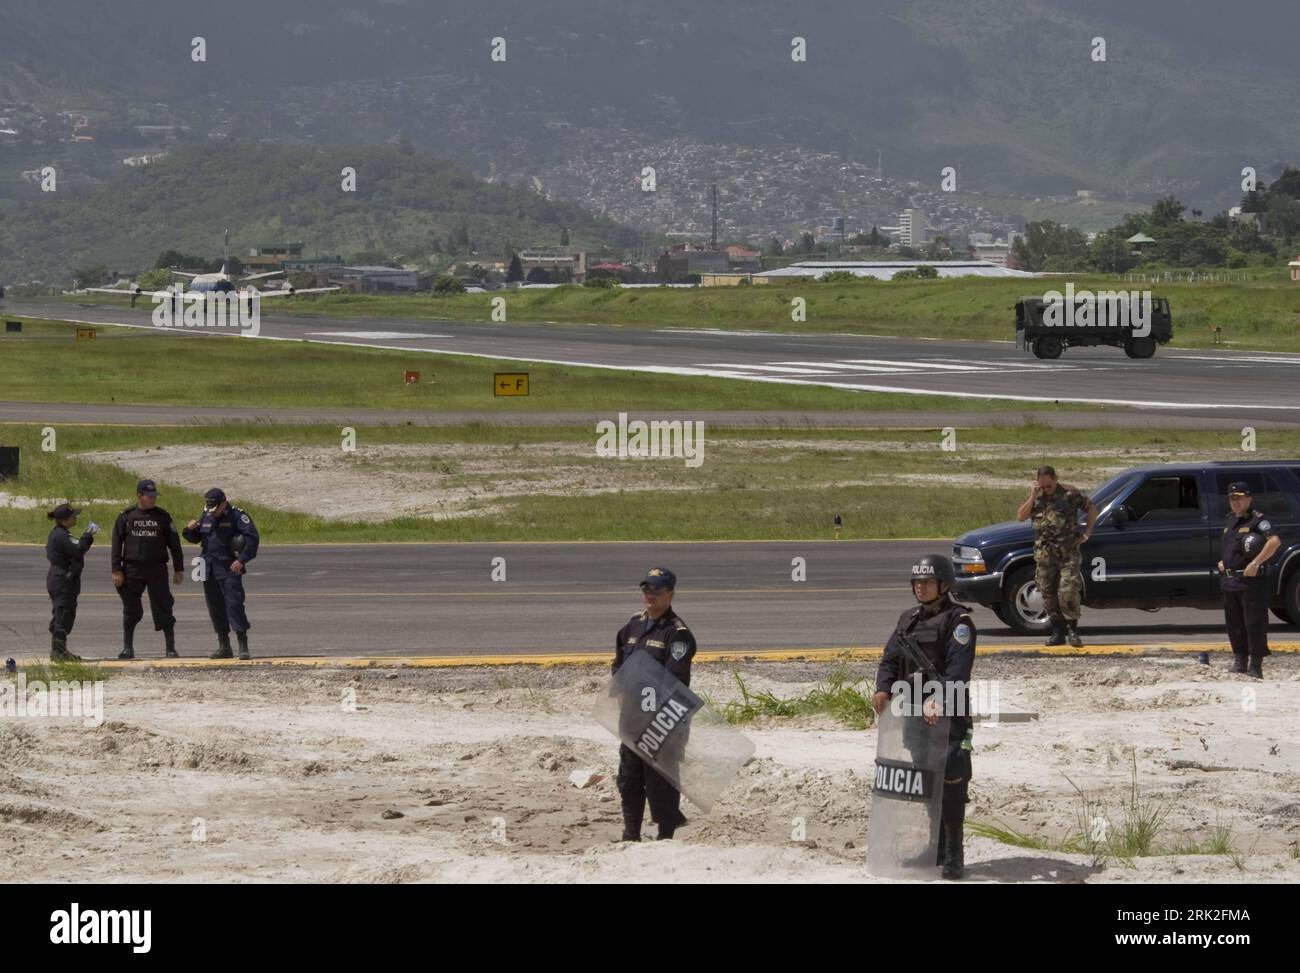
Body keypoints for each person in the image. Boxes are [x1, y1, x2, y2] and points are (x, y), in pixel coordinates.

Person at [872, 554, 976, 879]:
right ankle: (936, 850)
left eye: (927, 582)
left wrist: (938, 699)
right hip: (914, 715)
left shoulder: (958, 623)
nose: (920, 587)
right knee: (926, 782)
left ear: (943, 585)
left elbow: (958, 671)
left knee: (952, 782)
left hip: (949, 716)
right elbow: (890, 659)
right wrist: (883, 688)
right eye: (917, 582)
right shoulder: (908, 621)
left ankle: (955, 856)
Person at [612, 567, 696, 842]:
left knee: (661, 781)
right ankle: (630, 834)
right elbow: (618, 665)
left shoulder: (677, 633)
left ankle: (665, 836)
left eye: (657, 590)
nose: (650, 595)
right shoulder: (633, 626)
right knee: (629, 778)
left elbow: (674, 680)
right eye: (647, 589)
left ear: (670, 594)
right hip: (633, 718)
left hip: (663, 720)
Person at [1016, 465, 1097, 647]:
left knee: (1068, 592)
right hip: (1045, 556)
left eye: (1049, 486)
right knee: (1048, 594)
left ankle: (1073, 631)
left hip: (1067, 554)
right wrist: (1032, 495)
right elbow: (1020, 516)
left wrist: (1087, 533)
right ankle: (1057, 632)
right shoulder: (1036, 499)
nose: (1046, 490)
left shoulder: (1070, 495)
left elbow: (1092, 509)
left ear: (1055, 479)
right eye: (1042, 486)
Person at [183, 488, 260, 660]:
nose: (213, 512)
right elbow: (197, 538)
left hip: (229, 568)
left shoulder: (237, 516)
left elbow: (252, 539)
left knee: (234, 605)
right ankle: (224, 646)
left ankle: (243, 645)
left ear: (224, 502)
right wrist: (189, 530)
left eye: (216, 508)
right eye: (210, 508)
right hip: (209, 568)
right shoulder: (207, 514)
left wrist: (241, 561)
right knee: (215, 607)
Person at [111, 479, 184, 660]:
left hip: (157, 569)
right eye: (149, 496)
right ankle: (128, 648)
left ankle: (170, 648)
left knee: (164, 607)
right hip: (132, 569)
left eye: (154, 496)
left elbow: (175, 544)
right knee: (130, 609)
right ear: (139, 496)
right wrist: (116, 569)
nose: (152, 499)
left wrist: (179, 569)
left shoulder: (162, 517)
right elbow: (116, 544)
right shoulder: (126, 516)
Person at [1218, 482, 1280, 678]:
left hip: (1251, 582)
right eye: (1232, 498)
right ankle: (1240, 660)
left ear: (1249, 498)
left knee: (1254, 623)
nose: (1236, 502)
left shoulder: (1257, 520)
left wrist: (1256, 562)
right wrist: (1223, 561)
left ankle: (1255, 665)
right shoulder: (1230, 521)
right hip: (1230, 581)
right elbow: (1231, 548)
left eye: (1239, 498)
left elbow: (1274, 542)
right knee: (1234, 624)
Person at [45, 503, 98, 661]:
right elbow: (78, 549)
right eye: (73, 516)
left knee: (62, 614)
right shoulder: (62, 535)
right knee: (64, 614)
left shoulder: (58, 533)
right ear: (65, 519)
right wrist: (88, 535)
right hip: (63, 579)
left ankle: (59, 650)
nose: (76, 518)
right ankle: (58, 652)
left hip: (60, 577)